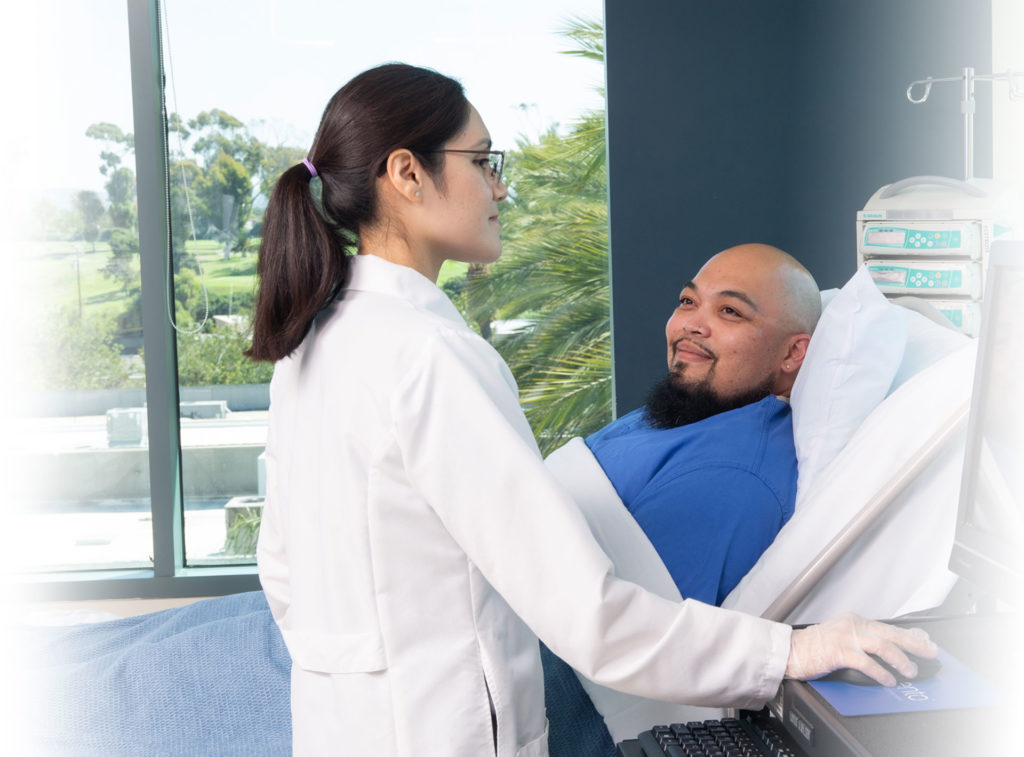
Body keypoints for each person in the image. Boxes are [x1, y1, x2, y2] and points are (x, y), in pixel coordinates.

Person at [246, 63, 936, 757]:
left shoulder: (309, 341)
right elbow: (585, 611)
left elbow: (279, 566)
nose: (500, 187)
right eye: (483, 161)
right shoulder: (430, 356)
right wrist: (790, 650)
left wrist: (358, 666)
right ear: (406, 174)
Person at [588, 243, 820, 606]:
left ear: (792, 353)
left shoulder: (731, 478)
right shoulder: (697, 412)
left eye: (730, 311)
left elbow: (639, 639)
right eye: (687, 301)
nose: (691, 325)